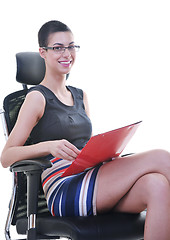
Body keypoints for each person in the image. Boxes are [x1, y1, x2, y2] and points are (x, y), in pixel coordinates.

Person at [1, 20, 170, 240]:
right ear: (42, 52)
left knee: (157, 185)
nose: (67, 53)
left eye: (71, 46)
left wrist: (105, 152)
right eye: (58, 47)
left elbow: (85, 146)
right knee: (162, 158)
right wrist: (49, 146)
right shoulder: (36, 98)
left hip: (89, 177)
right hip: (64, 189)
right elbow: (6, 156)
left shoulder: (80, 96)